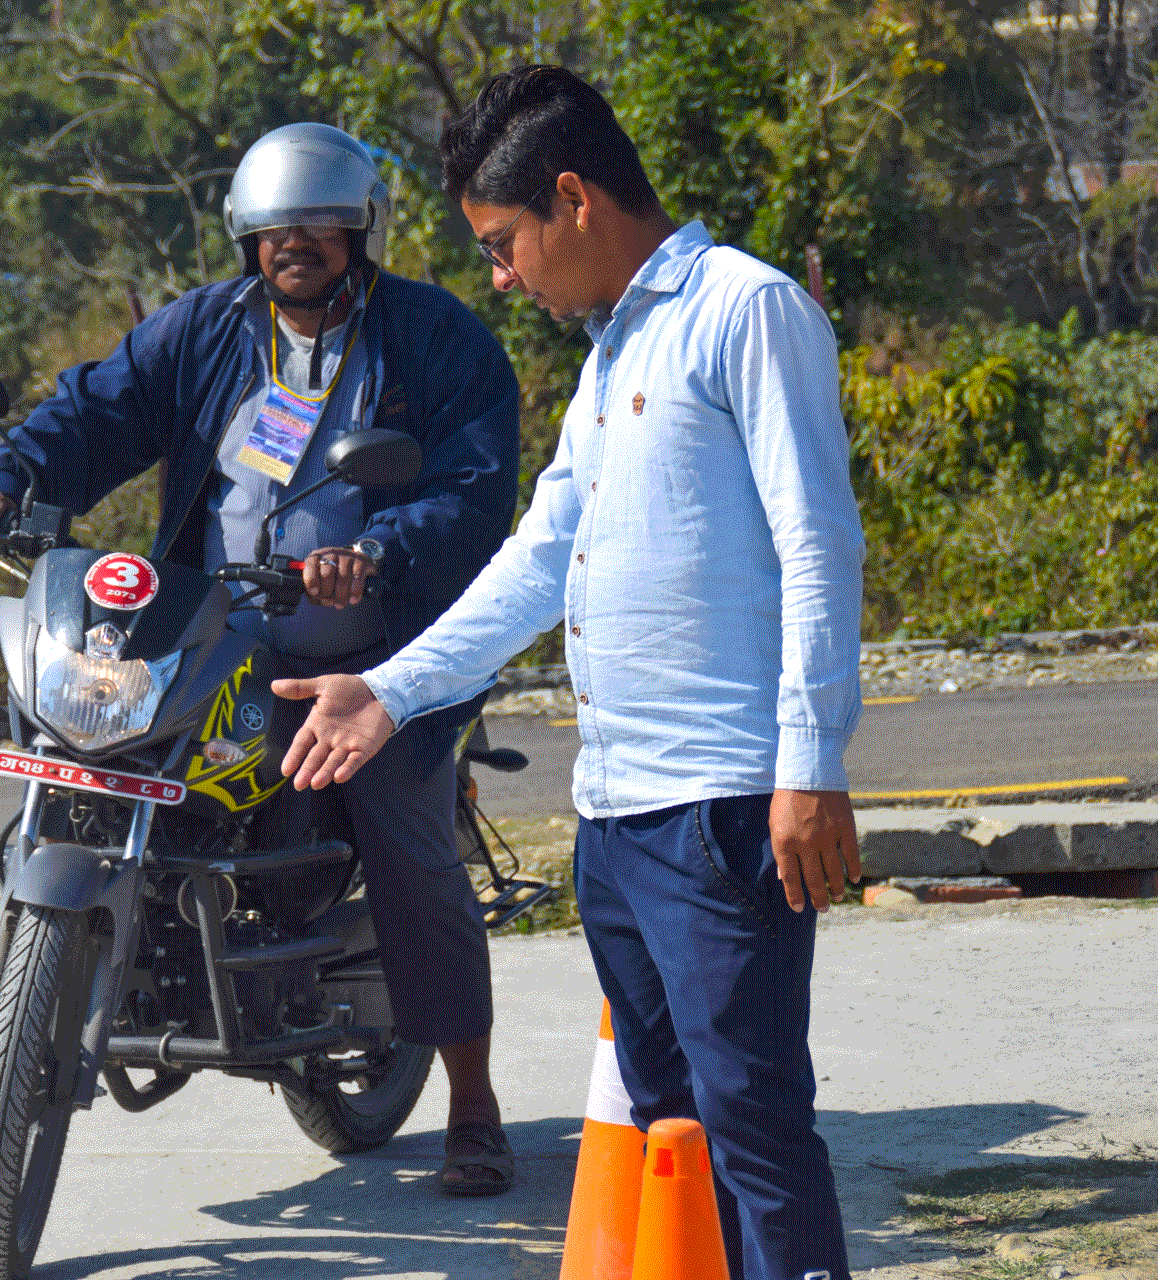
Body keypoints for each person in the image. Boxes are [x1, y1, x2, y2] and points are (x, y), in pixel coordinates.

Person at [273, 68, 865, 1279]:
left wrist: (808, 767)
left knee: (754, 1128)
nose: (500, 275)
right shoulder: (610, 360)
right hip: (617, 818)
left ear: (574, 198)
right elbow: (540, 560)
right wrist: (389, 690)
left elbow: (819, 542)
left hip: (720, 808)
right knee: (669, 1130)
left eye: (502, 243)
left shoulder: (744, 311)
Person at [0, 122, 525, 1194]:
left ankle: (474, 1104)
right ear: (244, 237)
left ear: (359, 230)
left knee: (406, 836)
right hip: (221, 632)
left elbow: (476, 487)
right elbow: (94, 407)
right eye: (271, 227)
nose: (292, 242)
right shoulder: (208, 330)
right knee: (107, 758)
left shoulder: (436, 339)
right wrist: (9, 475)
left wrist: (380, 554)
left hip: (379, 650)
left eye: (316, 223)